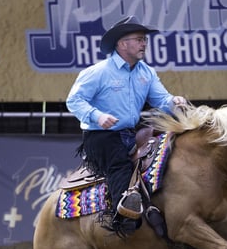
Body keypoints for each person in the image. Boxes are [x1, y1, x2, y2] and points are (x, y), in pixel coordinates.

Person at [66, 15, 187, 236]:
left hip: (130, 134)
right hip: (101, 136)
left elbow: (161, 100)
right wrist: (97, 116)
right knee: (120, 166)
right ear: (122, 44)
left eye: (144, 40)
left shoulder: (146, 73)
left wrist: (175, 102)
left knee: (163, 154)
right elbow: (73, 100)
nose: (144, 44)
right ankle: (123, 221)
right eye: (139, 39)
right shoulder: (98, 71)